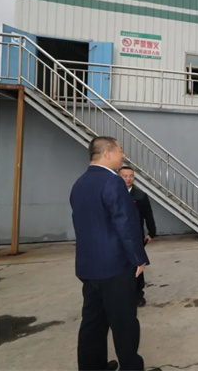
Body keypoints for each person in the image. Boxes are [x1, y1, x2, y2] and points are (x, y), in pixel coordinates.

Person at [70, 137, 150, 371]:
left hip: (89, 267)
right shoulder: (113, 182)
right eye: (119, 151)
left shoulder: (80, 183)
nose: (122, 156)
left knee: (93, 322)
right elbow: (125, 223)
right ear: (107, 153)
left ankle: (92, 367)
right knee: (124, 323)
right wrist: (138, 258)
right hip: (115, 267)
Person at [118, 166, 157, 308]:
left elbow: (148, 215)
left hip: (136, 236)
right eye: (125, 176)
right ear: (118, 177)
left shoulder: (140, 196)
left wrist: (151, 232)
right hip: (117, 237)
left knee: (137, 264)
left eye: (131, 176)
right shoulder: (113, 195)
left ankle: (138, 294)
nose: (128, 179)